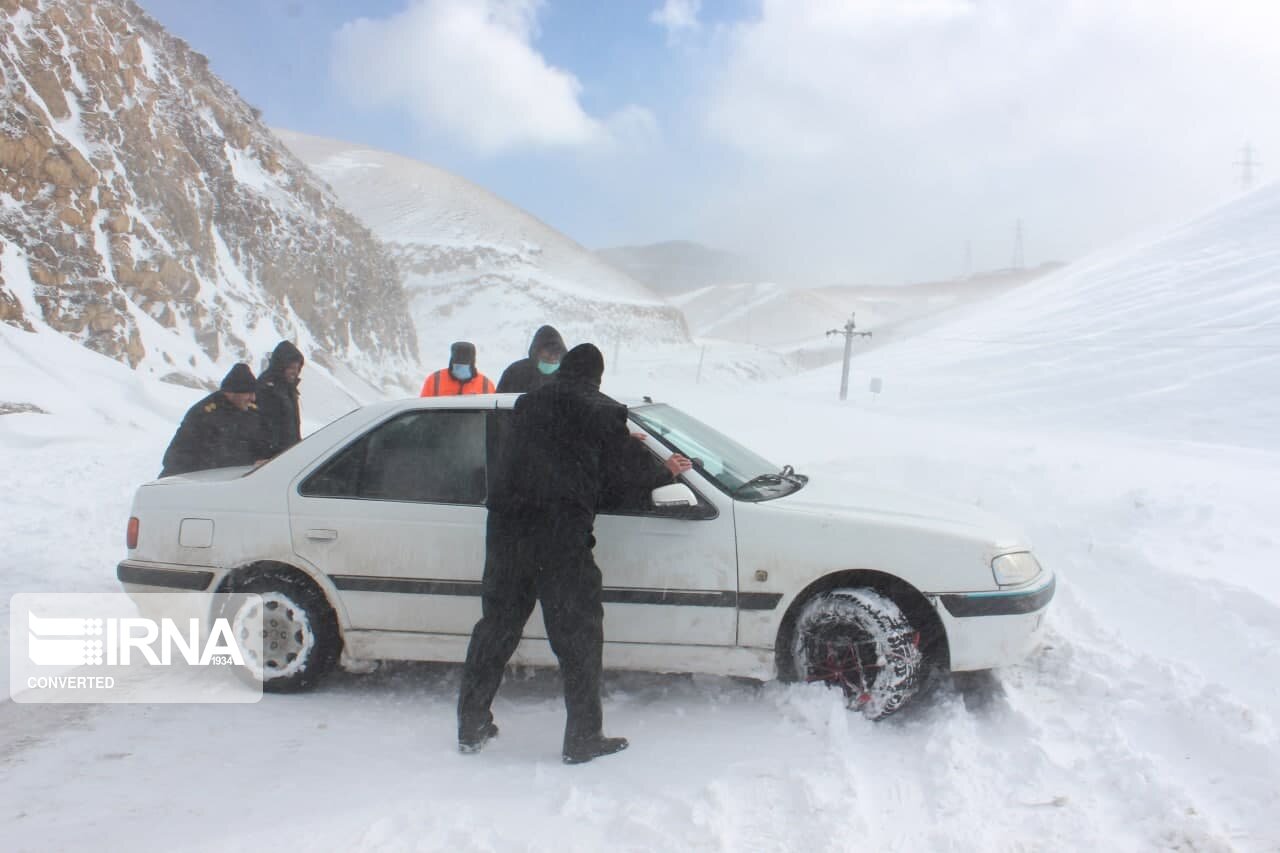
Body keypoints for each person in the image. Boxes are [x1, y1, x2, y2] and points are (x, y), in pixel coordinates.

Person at [457, 343, 692, 764]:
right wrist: (665, 469)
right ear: (597, 376)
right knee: (578, 638)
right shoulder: (600, 411)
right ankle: (583, 737)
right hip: (559, 538)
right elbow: (625, 473)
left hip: (507, 533)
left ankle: (471, 725)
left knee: (496, 629)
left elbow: (556, 452)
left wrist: (611, 442)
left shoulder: (529, 405)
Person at [160, 363, 268, 477]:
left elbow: (259, 445)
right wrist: (249, 463)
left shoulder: (252, 413)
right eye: (248, 393)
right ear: (231, 393)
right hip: (198, 483)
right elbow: (181, 457)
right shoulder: (204, 415)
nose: (253, 398)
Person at [257, 340, 304, 457]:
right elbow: (265, 425)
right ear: (281, 366)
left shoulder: (288, 389)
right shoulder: (265, 389)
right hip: (273, 455)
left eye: (298, 368)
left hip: (287, 452)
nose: (295, 372)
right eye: (291, 368)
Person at [496, 325, 567, 393]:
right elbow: (499, 401)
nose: (552, 358)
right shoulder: (515, 373)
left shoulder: (567, 375)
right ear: (536, 353)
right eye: (546, 358)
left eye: (555, 359)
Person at [420, 341, 495, 396]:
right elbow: (422, 409)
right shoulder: (434, 381)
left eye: (465, 363)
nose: (461, 367)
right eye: (457, 363)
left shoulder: (486, 385)